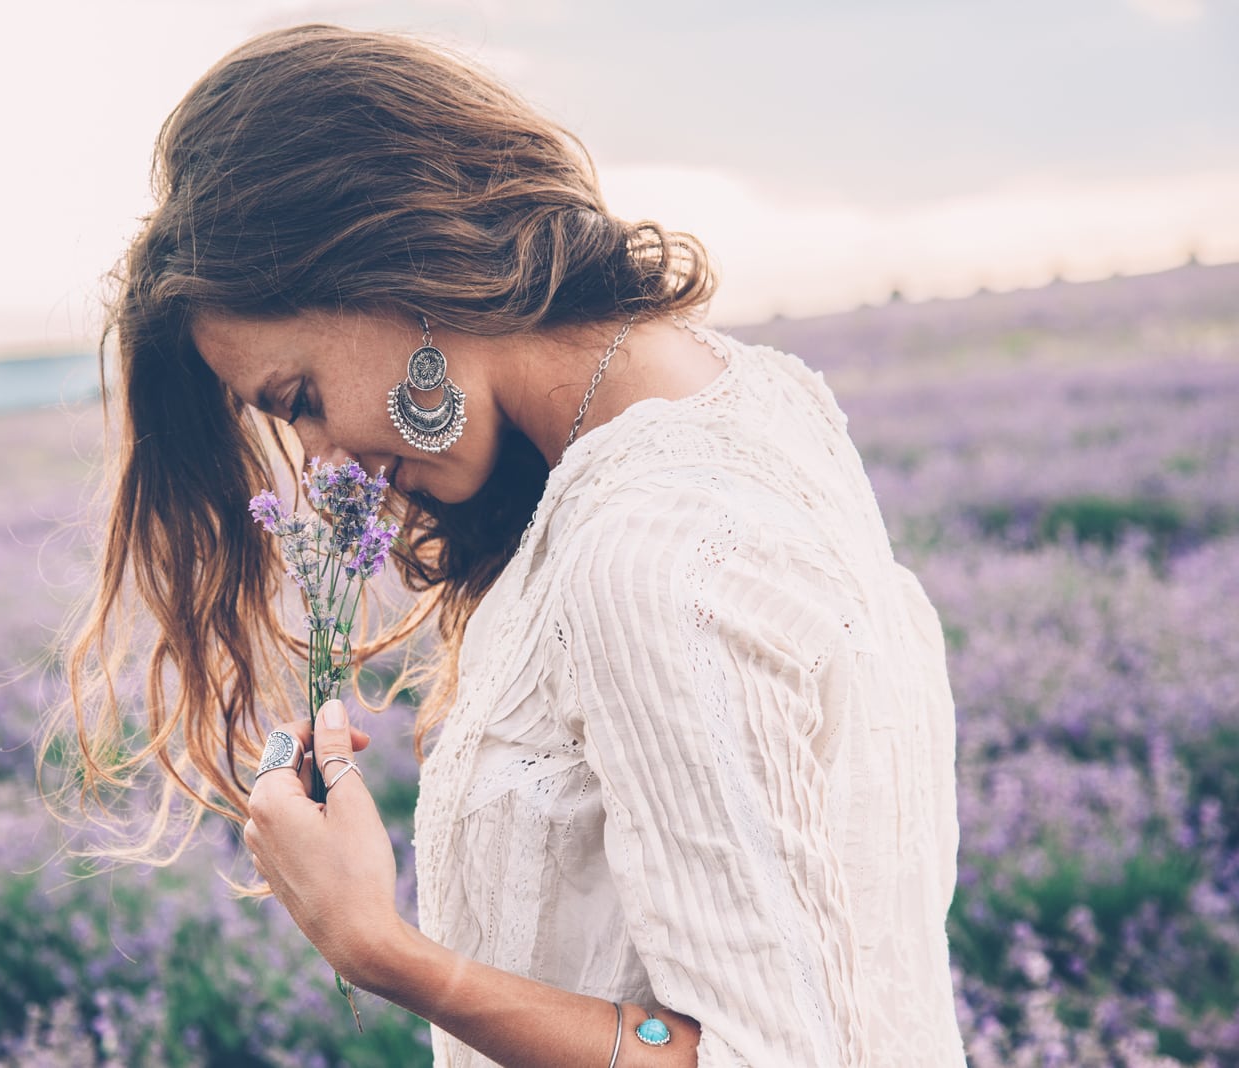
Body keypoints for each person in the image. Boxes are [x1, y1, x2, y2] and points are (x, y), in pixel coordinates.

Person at [51, 23, 968, 1068]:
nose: (321, 460)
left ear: (395, 267)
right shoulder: (758, 400)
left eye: (299, 398)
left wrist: (381, 947)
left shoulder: (646, 551)